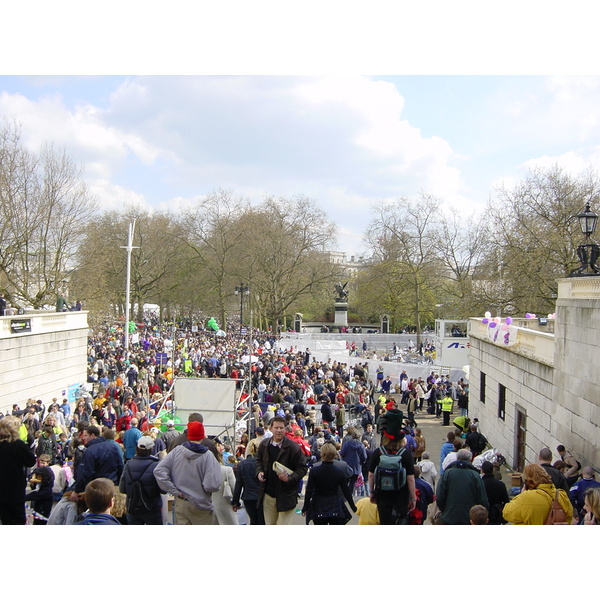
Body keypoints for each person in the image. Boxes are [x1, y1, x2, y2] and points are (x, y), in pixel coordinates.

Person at [153, 421, 222, 525]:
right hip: (202, 504)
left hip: (181, 502)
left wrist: (174, 490)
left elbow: (159, 471)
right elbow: (211, 485)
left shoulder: (177, 452)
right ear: (202, 436)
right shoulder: (208, 456)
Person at [256, 416, 308, 525]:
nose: (279, 430)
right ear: (270, 429)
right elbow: (258, 460)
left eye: (281, 428)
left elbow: (302, 468)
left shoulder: (293, 447)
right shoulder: (264, 445)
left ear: (285, 429)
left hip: (286, 495)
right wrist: (259, 471)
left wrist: (289, 478)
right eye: (276, 428)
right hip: (268, 494)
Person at [368, 408, 416, 525]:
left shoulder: (378, 452)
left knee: (384, 522)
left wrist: (372, 492)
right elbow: (410, 478)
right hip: (401, 495)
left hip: (382, 494)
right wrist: (413, 497)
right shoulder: (405, 454)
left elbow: (370, 475)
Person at [301, 441, 357, 524]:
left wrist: (305, 507)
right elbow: (346, 491)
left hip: (318, 504)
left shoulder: (314, 471)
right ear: (334, 454)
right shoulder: (339, 472)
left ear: (322, 454)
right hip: (335, 503)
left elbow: (309, 490)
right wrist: (353, 506)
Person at [503, 463, 574, 525]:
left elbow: (507, 513)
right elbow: (569, 516)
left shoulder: (527, 497)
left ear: (527, 481)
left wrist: (522, 494)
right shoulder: (562, 494)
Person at [118, 436, 164, 525]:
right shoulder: (156, 465)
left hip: (133, 507)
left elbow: (122, 489)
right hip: (152, 508)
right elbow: (163, 490)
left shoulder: (128, 464)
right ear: (151, 449)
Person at [436, 449, 489, 525]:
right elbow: (482, 498)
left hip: (449, 516)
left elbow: (440, 495)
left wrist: (444, 510)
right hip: (470, 517)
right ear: (470, 459)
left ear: (457, 458)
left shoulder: (448, 473)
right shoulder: (475, 475)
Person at [73, 424, 125, 493]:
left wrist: (77, 490)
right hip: (111, 485)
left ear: (92, 435)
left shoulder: (90, 451)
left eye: (86, 435)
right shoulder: (112, 447)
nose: (83, 438)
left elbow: (86, 473)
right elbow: (120, 466)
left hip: (97, 489)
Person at [232, 446, 264, 524]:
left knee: (253, 520)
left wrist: (235, 502)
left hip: (248, 496)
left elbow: (238, 485)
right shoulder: (263, 463)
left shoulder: (242, 464)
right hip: (262, 496)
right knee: (263, 521)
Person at [480, 460, 510, 524]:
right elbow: (506, 502)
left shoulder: (480, 484)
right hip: (496, 515)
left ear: (482, 471)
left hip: (482, 515)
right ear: (492, 470)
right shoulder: (500, 484)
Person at [340, 426, 367, 492]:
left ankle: (344, 495)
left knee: (345, 481)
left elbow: (342, 453)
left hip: (347, 465)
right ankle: (349, 495)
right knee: (352, 482)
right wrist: (361, 462)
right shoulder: (361, 445)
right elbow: (365, 457)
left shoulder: (347, 444)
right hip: (356, 466)